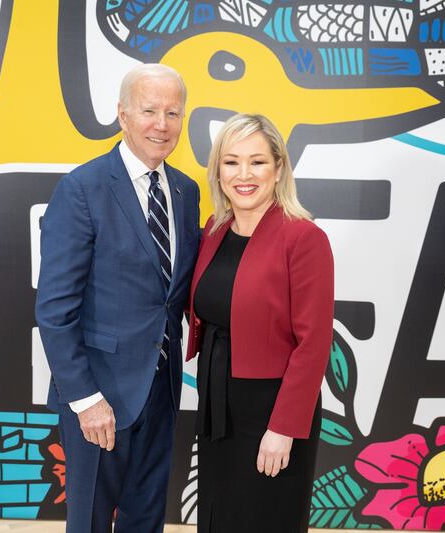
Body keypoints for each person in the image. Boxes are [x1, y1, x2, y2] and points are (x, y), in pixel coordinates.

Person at [36, 63, 201, 533]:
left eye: (173, 112)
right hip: (99, 393)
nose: (162, 125)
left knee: (146, 519)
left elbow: (172, 295)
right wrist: (85, 399)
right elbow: (55, 308)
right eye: (149, 110)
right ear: (122, 114)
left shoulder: (186, 192)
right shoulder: (82, 188)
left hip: (162, 390)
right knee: (89, 520)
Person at [185, 114, 334, 532]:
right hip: (216, 400)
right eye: (231, 162)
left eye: (257, 162)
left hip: (271, 407)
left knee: (265, 518)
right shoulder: (214, 231)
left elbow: (314, 344)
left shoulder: (304, 239)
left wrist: (283, 428)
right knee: (219, 516)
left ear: (279, 168)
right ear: (218, 171)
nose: (244, 175)